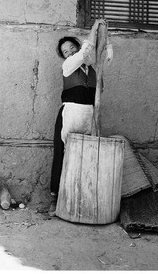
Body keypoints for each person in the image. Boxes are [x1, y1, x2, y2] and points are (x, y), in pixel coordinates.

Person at [49, 19, 113, 216]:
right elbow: (85, 52)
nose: (69, 53)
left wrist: (107, 46)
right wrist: (94, 30)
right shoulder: (68, 65)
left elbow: (92, 60)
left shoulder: (92, 70)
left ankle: (80, 199)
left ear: (76, 45)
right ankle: (55, 198)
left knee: (84, 156)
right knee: (64, 154)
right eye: (65, 52)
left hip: (89, 115)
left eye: (71, 48)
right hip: (71, 113)